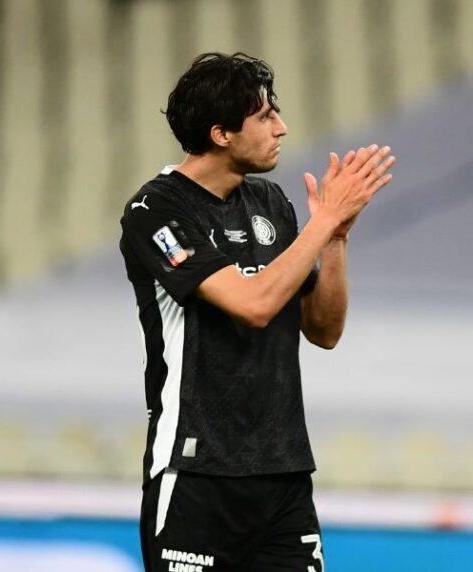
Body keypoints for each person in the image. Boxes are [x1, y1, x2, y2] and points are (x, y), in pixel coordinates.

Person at [118, 52, 395, 572]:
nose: (281, 128)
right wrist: (323, 220)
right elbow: (254, 305)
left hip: (282, 475)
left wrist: (335, 238)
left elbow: (324, 329)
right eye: (265, 116)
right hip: (197, 474)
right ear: (221, 134)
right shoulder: (155, 211)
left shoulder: (270, 204)